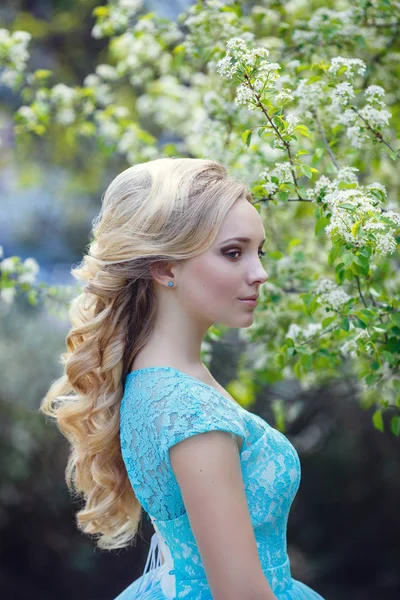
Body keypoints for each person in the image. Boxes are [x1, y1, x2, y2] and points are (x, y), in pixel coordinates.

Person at [40, 157, 325, 600]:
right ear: (165, 267)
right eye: (234, 252)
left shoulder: (153, 380)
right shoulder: (189, 412)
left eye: (258, 251)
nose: (260, 273)